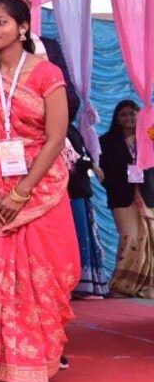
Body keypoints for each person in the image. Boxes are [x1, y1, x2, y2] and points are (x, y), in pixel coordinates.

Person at [0, 0, 79, 382]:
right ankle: (0, 368)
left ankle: (34, 367)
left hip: (39, 189)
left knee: (39, 278)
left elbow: (56, 137)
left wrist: (21, 193)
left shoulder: (46, 73)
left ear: (23, 27)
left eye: (1, 22)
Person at [100, 100, 154, 298]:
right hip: (121, 195)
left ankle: (146, 286)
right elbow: (103, 171)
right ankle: (122, 285)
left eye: (132, 114)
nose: (129, 118)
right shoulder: (106, 141)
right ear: (117, 118)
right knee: (130, 237)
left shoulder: (148, 139)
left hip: (147, 194)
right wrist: (114, 184)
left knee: (149, 238)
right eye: (123, 115)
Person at [65, 124, 108, 298]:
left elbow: (80, 157)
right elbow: (70, 161)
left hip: (79, 191)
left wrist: (90, 163)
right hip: (69, 192)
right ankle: (76, 283)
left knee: (83, 236)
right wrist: (90, 164)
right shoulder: (61, 130)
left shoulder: (72, 129)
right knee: (75, 236)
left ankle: (83, 284)